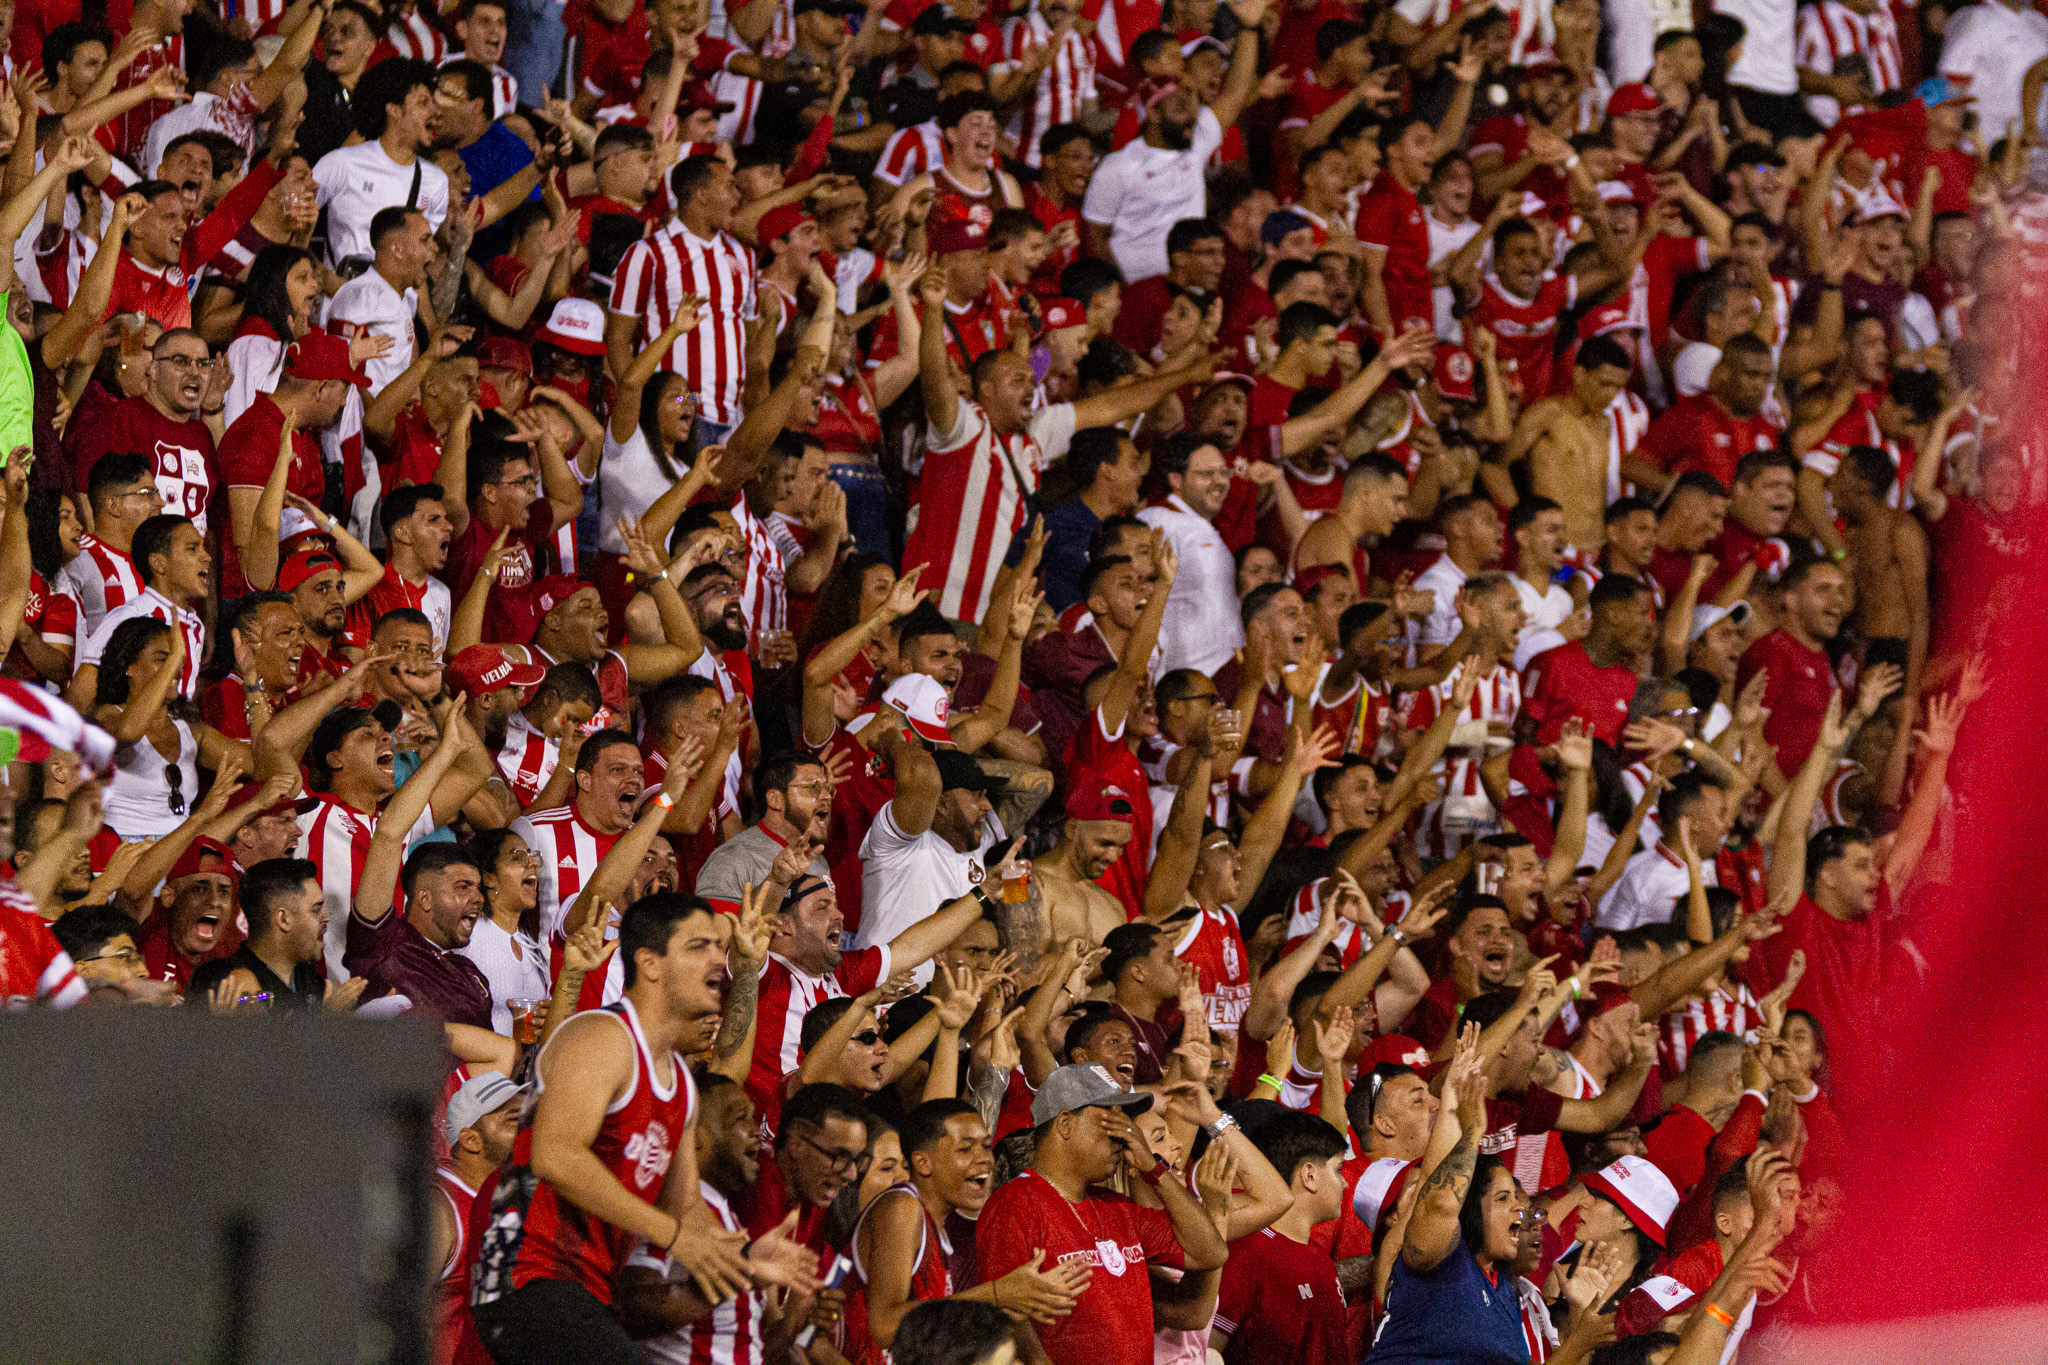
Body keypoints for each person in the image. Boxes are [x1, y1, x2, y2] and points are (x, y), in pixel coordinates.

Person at [472, 893, 816, 1364]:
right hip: (528, 1280)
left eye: (719, 946)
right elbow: (554, 1156)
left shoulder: (681, 1085)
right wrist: (673, 1234)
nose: (717, 959)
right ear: (650, 964)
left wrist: (743, 1259)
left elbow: (685, 1208)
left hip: (589, 1292)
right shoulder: (601, 1036)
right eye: (698, 946)